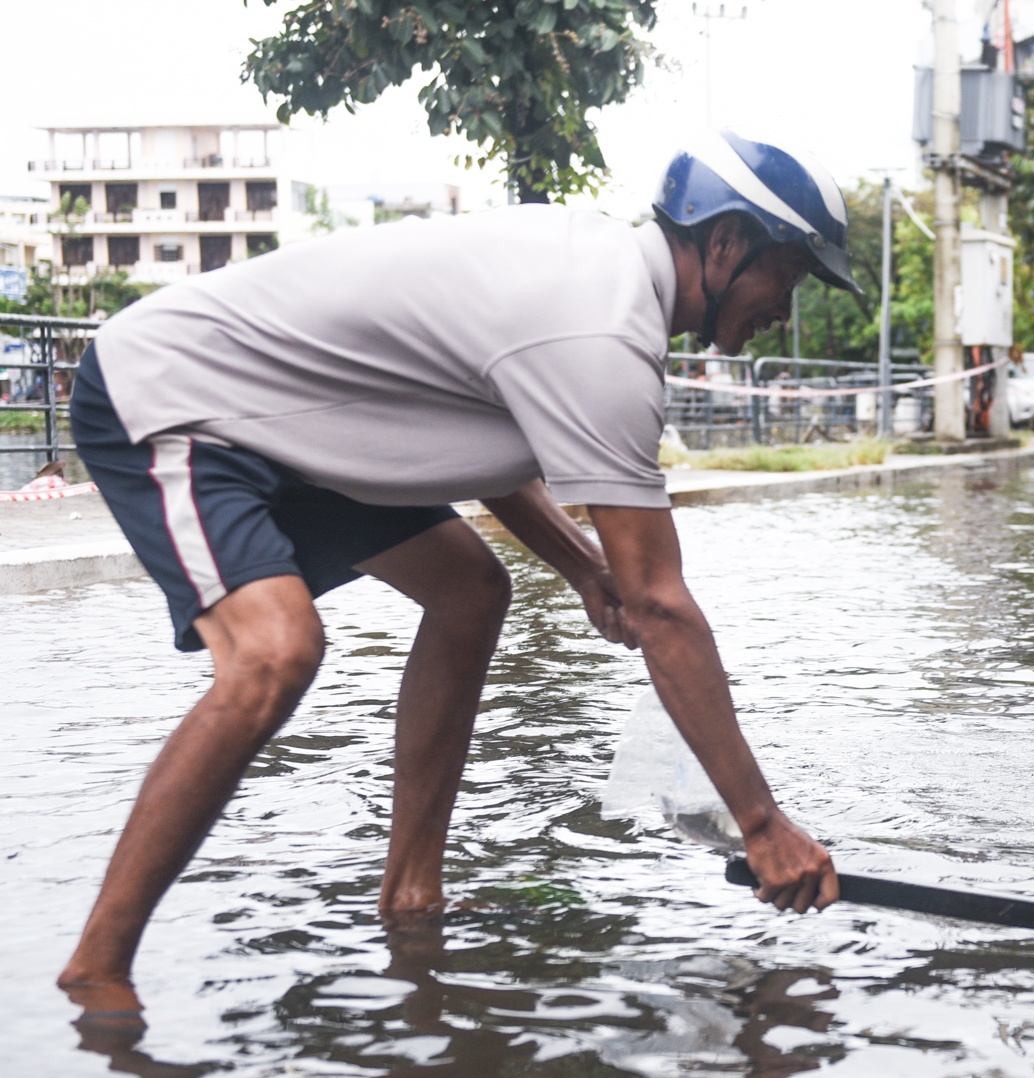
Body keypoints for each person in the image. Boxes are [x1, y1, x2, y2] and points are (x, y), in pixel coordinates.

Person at [57, 130, 851, 1017]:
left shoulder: (593, 284)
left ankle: (411, 893)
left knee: (472, 592)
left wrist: (582, 567)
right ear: (728, 243)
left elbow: (487, 438)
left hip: (306, 428)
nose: (788, 305)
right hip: (180, 395)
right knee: (273, 653)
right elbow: (662, 608)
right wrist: (762, 826)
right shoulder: (603, 322)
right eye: (792, 273)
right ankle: (98, 967)